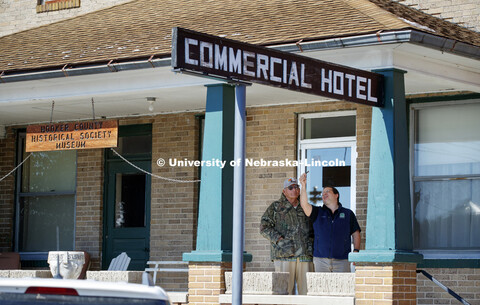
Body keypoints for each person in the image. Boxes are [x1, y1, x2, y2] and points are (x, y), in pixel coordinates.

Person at [260, 177, 314, 295]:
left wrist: (311, 244)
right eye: (290, 188)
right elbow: (264, 227)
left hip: (305, 255)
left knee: (307, 294)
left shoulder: (305, 207)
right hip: (283, 255)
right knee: (283, 293)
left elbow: (314, 229)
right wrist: (279, 241)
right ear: (284, 191)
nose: (294, 190)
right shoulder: (275, 207)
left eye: (296, 187)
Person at [299, 173, 361, 272]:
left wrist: (356, 251)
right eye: (323, 193)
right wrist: (303, 186)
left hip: (342, 260)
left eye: (327, 191)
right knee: (320, 287)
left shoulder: (348, 214)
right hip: (320, 260)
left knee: (342, 287)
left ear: (336, 195)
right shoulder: (317, 212)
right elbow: (304, 204)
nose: (324, 194)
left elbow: (356, 233)